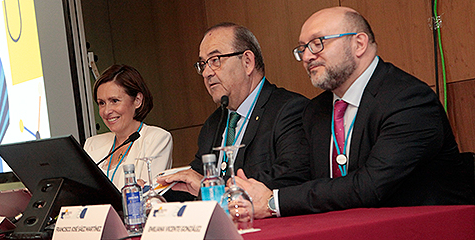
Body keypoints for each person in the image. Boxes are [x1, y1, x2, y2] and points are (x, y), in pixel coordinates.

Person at [235, 6, 474, 219]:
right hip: (348, 227)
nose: (307, 56)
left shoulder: (408, 100)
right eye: (302, 48)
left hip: (427, 228)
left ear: (358, 43)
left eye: (318, 43)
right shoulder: (316, 110)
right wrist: (243, 192)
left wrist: (272, 202)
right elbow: (299, 176)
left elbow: (369, 186)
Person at [157, 22, 310, 199]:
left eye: (215, 61)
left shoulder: (288, 109)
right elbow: (194, 181)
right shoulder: (214, 123)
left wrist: (213, 189)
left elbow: (290, 176)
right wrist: (157, 193)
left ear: (247, 62)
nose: (206, 72)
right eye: (202, 64)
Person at [84, 64, 173, 190]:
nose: (106, 111)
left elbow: (148, 195)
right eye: (102, 103)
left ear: (137, 100)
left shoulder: (157, 138)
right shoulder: (92, 144)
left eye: (114, 101)